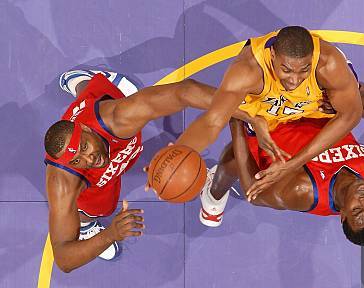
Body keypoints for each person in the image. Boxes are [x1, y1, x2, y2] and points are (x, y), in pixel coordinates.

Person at [45, 70, 269, 272]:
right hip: (96, 180)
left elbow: (184, 91)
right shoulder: (64, 180)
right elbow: (64, 259)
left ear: (85, 129)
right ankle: (87, 224)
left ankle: (85, 82)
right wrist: (110, 234)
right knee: (95, 208)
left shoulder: (119, 117)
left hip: (108, 115)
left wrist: (250, 115)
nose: (89, 158)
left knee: (109, 98)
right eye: (77, 160)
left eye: (84, 147)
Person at [169, 26, 363, 225]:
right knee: (237, 154)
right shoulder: (249, 70)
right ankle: (213, 195)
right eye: (286, 70)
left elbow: (351, 115)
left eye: (304, 69)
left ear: (312, 59)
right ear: (272, 56)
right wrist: (181, 152)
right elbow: (212, 122)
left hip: (311, 108)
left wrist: (290, 165)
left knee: (360, 98)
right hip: (265, 109)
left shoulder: (329, 64)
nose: (295, 80)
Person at [200, 90, 364, 245]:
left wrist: (237, 121)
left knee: (235, 159)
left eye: (357, 209)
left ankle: (213, 197)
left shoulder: (301, 191)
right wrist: (351, 100)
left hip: (272, 124)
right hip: (317, 111)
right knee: (355, 89)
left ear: (343, 214)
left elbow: (253, 192)